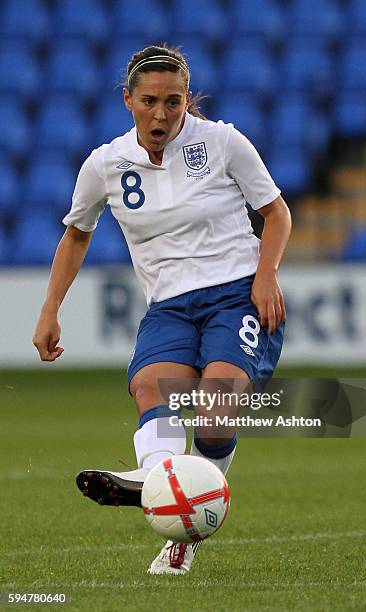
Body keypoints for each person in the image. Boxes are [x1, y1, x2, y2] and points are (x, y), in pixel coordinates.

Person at [32, 45, 291, 575]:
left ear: (187, 100)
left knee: (217, 404)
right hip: (169, 307)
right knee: (152, 388)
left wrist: (266, 278)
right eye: (149, 101)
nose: (161, 114)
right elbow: (76, 235)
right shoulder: (105, 164)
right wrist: (50, 308)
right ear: (127, 100)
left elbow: (276, 212)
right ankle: (175, 512)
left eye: (173, 102)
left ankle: (158, 487)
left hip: (235, 292)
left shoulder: (221, 142)